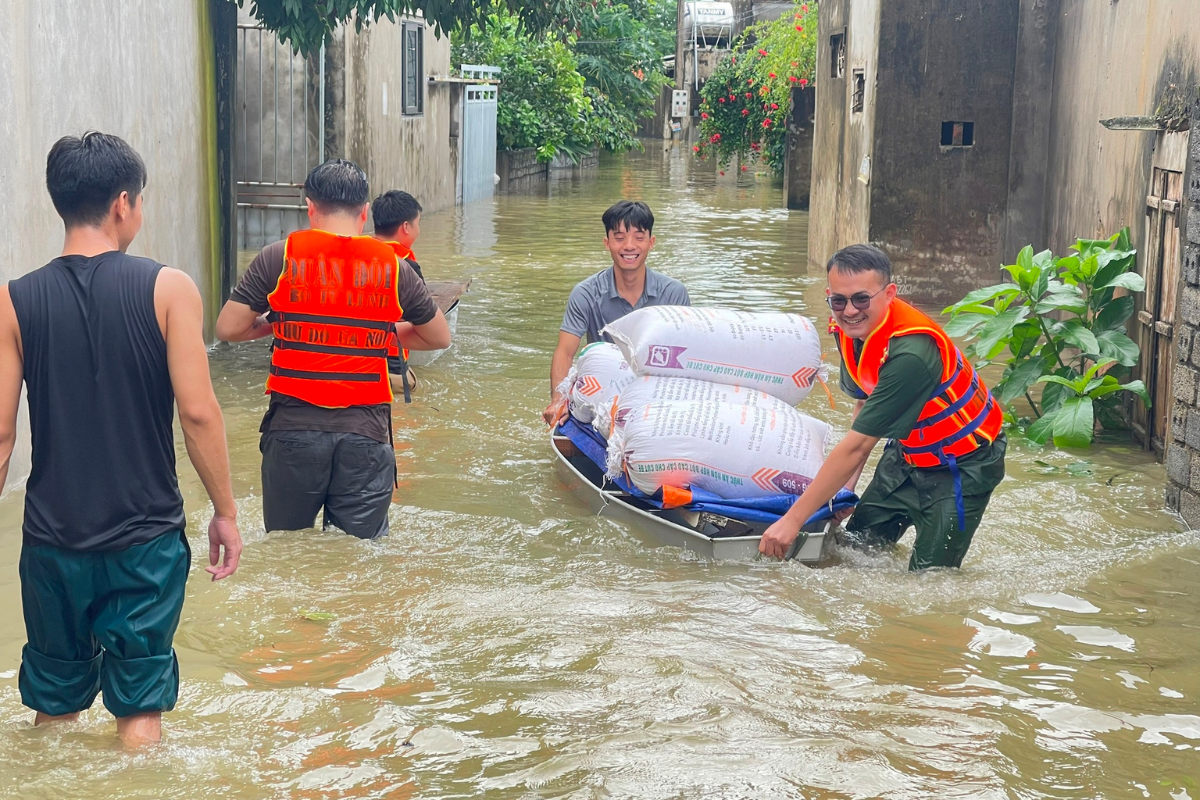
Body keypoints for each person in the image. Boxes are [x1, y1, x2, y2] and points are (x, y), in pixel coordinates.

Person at [0, 132, 242, 747]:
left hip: (52, 540)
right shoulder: (169, 289)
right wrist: (226, 512)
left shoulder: (14, 300)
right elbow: (198, 414)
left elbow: (1, 436)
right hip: (145, 540)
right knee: (139, 707)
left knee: (54, 700)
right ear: (123, 204)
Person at [215, 159, 450, 540]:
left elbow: (228, 328)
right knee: (358, 562)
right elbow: (438, 337)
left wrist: (277, 324)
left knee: (287, 550)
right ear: (364, 211)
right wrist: (379, 333)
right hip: (365, 435)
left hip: (292, 434)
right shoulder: (394, 266)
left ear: (310, 208)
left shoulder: (279, 256)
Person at [759, 244, 1006, 570]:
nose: (849, 311)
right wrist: (844, 491)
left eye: (862, 299)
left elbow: (859, 446)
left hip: (963, 466)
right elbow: (864, 402)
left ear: (889, 293)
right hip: (906, 455)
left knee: (930, 580)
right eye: (839, 301)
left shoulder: (910, 354)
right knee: (853, 550)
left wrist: (792, 521)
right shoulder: (852, 331)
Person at [541, 200, 690, 425]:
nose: (629, 246)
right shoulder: (585, 293)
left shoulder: (674, 293)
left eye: (639, 237)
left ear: (651, 242)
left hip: (653, 395)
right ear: (607, 242)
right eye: (619, 238)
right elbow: (565, 352)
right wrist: (558, 400)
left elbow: (685, 357)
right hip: (600, 392)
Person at [371, 190, 425, 401]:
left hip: (355, 366)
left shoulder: (356, 259)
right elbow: (424, 324)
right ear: (405, 227)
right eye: (417, 223)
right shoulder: (407, 266)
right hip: (391, 369)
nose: (418, 230)